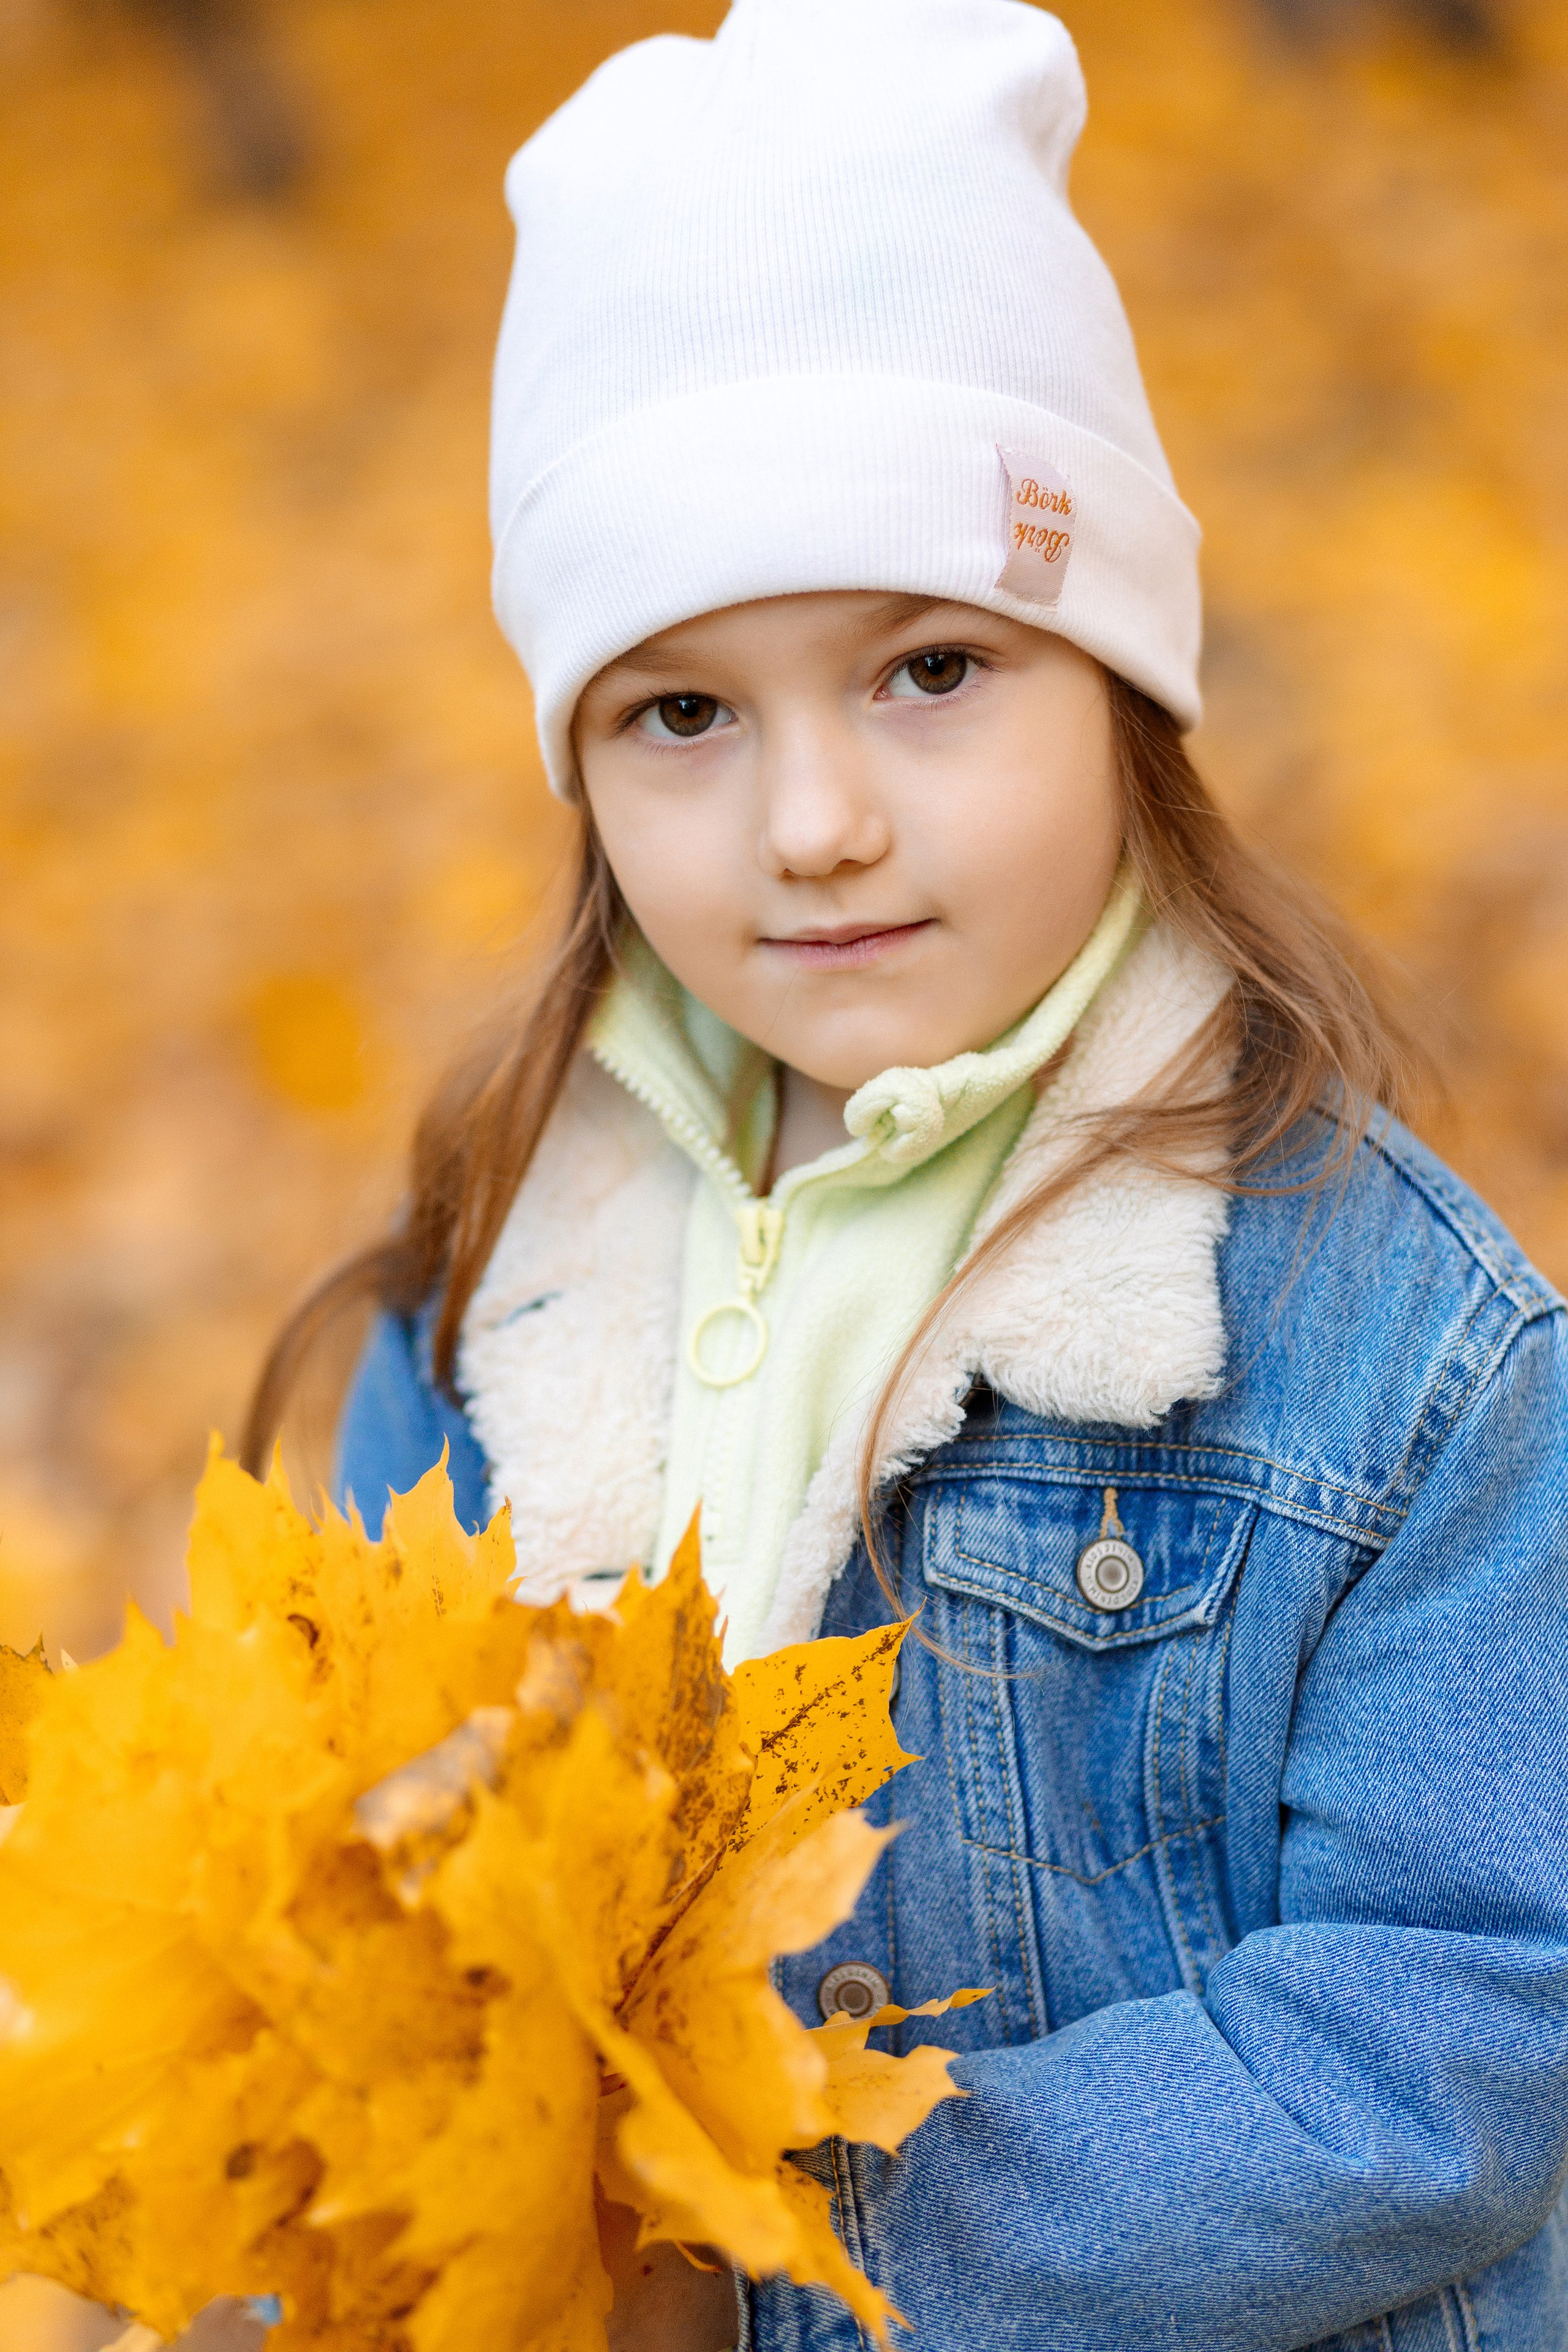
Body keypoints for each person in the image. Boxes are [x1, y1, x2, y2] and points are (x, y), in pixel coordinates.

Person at [247, 2, 1568, 2345]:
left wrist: (802, 2266)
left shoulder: (1402, 1360)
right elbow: (333, 1928)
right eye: (684, 713)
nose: (816, 818)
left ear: (1119, 678)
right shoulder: (484, 1306)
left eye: (931, 669)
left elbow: (1465, 2017)